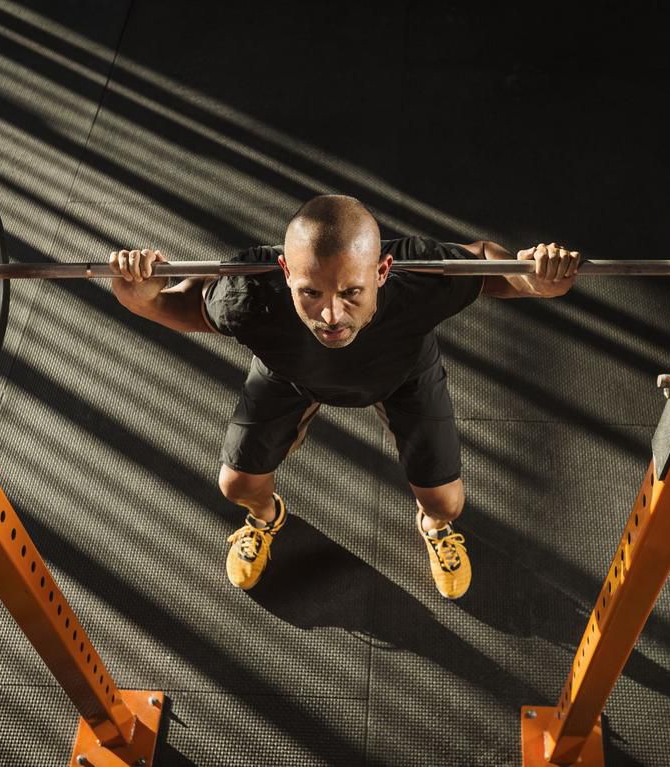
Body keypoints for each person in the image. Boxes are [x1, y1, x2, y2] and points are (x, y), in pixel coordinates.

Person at [110, 195, 579, 599]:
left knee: (446, 504)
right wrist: (141, 297)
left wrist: (534, 279)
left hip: (401, 377)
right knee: (237, 486)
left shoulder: (421, 279)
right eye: (310, 292)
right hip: (291, 376)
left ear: (383, 270)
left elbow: (484, 262)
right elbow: (180, 302)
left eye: (352, 291)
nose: (331, 314)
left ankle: (435, 528)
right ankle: (265, 519)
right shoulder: (253, 293)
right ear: (285, 271)